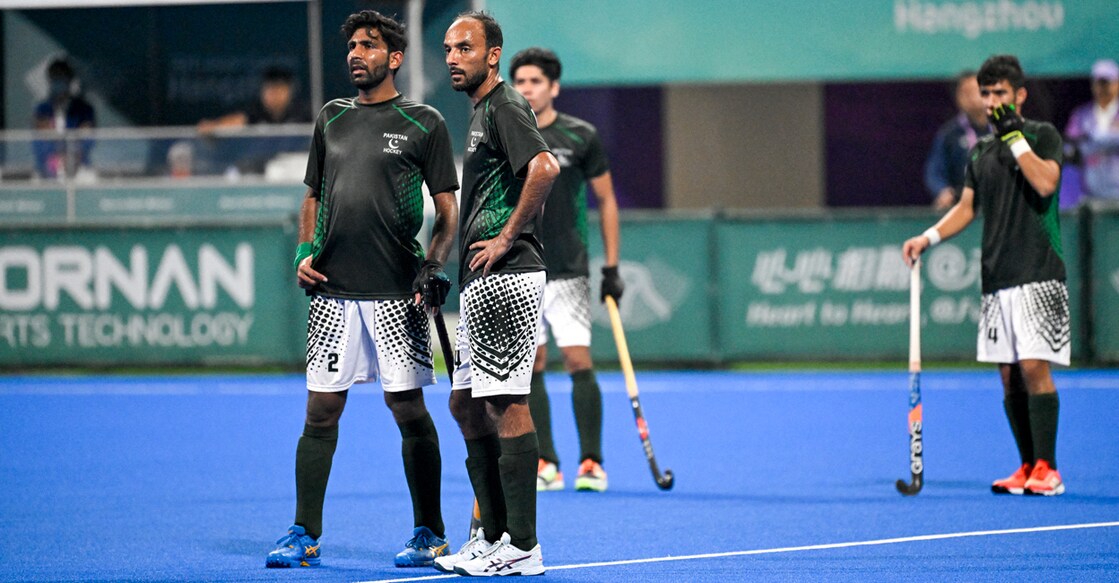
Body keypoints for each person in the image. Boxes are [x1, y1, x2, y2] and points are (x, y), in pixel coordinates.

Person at [266, 10, 460, 569]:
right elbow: (311, 197)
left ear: (394, 58)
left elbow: (446, 212)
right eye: (351, 45)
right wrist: (304, 251)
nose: (355, 53)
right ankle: (304, 531)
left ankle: (429, 531)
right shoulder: (331, 118)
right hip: (331, 294)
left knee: (407, 407)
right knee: (320, 411)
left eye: (368, 45)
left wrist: (434, 261)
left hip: (398, 294)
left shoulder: (424, 123)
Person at [902, 54, 1068, 497]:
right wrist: (929, 238)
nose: (993, 100)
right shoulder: (980, 152)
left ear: (1020, 96)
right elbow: (967, 208)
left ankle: (1048, 469)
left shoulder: (1041, 136)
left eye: (1001, 93)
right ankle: (1027, 465)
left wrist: (1015, 137)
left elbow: (1046, 183)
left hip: (1039, 272)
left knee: (1034, 367)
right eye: (987, 93)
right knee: (1009, 374)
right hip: (997, 276)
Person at [432, 11, 559, 577]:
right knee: (465, 403)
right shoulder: (482, 110)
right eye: (448, 48)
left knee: (507, 403)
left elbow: (546, 167)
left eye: (465, 48)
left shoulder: (506, 105)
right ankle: (491, 533)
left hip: (509, 276)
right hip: (483, 280)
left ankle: (523, 545)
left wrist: (507, 237)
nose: (453, 56)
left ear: (492, 55)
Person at [508, 47, 623, 493]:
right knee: (530, 366)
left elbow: (607, 200)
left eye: (535, 81)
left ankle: (591, 462)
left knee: (577, 360)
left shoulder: (581, 135)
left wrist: (611, 267)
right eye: (519, 81)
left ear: (553, 87)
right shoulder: (506, 134)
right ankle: (544, 461)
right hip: (520, 266)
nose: (527, 89)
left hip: (569, 269)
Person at [924, 70, 991, 211]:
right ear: (958, 97)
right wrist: (942, 191)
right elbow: (934, 171)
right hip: (962, 206)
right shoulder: (949, 133)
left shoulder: (1003, 127)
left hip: (998, 203)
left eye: (975, 91)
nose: (971, 98)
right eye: (965, 93)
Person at [1063, 58, 1119, 200]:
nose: (1103, 88)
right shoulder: (1081, 116)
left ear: (1117, 84)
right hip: (1090, 193)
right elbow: (1070, 147)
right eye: (1099, 83)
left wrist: (1093, 140)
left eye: (1107, 83)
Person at [33, 57, 95, 179]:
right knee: (36, 181)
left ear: (69, 79)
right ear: (49, 80)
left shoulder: (84, 109)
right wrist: (56, 160)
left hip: (79, 166)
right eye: (54, 77)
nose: (58, 81)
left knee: (89, 179)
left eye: (61, 76)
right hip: (48, 168)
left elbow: (86, 138)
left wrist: (72, 156)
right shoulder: (42, 109)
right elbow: (41, 140)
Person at [197, 66, 311, 132]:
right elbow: (238, 120)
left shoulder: (303, 112)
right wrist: (214, 126)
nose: (274, 95)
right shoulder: (256, 111)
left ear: (289, 91)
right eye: (270, 90)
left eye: (279, 89)